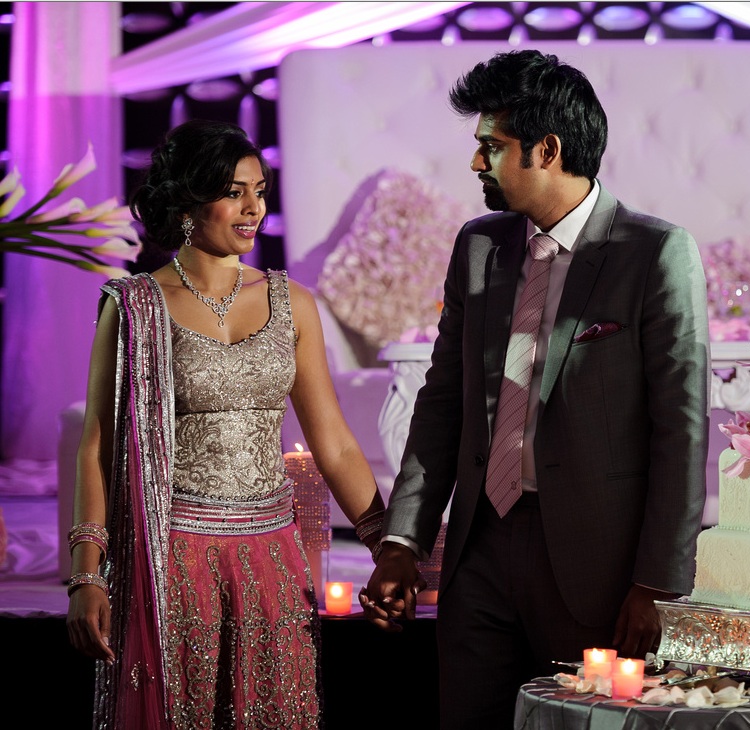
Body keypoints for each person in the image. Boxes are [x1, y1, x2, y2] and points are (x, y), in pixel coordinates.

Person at [361, 49, 709, 729]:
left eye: (492, 146)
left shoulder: (655, 253)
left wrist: (659, 583)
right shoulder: (479, 247)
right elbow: (441, 402)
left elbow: (682, 429)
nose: (476, 162)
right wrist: (404, 542)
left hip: (598, 566)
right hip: (479, 553)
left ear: (546, 150)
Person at [65, 119, 386, 729]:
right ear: (188, 201)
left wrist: (385, 545)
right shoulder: (133, 305)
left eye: (259, 191)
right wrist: (86, 574)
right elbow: (97, 448)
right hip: (173, 557)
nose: (253, 208)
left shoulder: (294, 303)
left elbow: (336, 445)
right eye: (234, 192)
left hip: (271, 557)